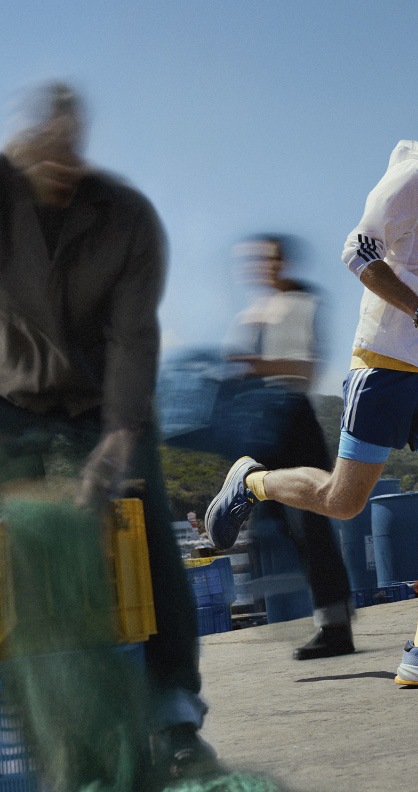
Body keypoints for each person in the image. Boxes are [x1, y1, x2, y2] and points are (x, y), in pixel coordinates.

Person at [206, 106, 418, 686]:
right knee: (344, 500)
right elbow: (360, 250)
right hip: (383, 367)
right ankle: (251, 482)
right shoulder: (417, 178)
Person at [0, 81, 215, 780]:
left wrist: (120, 437)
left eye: (71, 147)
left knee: (143, 522)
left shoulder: (127, 217)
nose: (57, 164)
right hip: (12, 399)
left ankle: (177, 710)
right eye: (42, 149)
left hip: (105, 404)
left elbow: (133, 338)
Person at [221, 234, 354, 659]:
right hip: (263, 424)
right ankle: (325, 614)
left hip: (292, 418)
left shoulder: (298, 302)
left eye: (265, 257)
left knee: (310, 523)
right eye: (252, 259)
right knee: (280, 526)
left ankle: (335, 626)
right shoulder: (255, 310)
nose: (259, 266)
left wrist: (254, 366)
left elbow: (305, 370)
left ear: (281, 261)